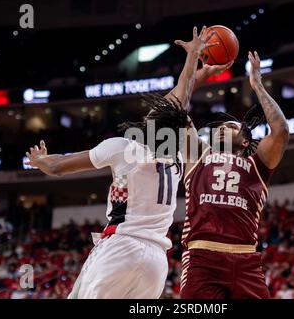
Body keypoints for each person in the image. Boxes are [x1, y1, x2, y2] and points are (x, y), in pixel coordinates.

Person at [26, 26, 216, 299]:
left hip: (121, 247)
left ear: (151, 126)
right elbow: (179, 104)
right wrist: (195, 66)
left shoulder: (122, 148)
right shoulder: (178, 158)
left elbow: (58, 167)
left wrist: (42, 160)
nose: (154, 108)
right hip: (156, 262)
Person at [177, 50, 289, 298]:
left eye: (230, 126)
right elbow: (178, 111)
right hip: (201, 258)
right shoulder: (199, 156)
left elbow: (280, 130)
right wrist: (197, 69)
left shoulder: (259, 163)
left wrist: (257, 84)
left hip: (245, 258)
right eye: (220, 127)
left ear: (245, 139)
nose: (221, 129)